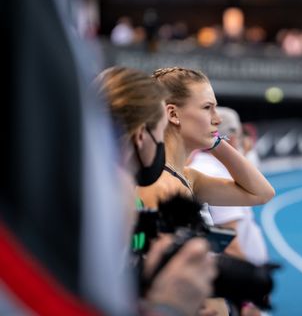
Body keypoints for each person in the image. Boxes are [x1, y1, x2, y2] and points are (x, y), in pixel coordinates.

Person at [96, 66, 217, 316]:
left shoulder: (86, 179)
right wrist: (167, 307)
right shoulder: (118, 190)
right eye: (161, 133)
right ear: (141, 135)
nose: (163, 143)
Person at [137, 67, 275, 209]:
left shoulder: (189, 177)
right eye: (207, 108)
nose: (218, 119)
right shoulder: (161, 186)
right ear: (173, 114)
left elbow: (262, 194)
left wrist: (215, 141)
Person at [188, 107, 270, 316]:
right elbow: (229, 243)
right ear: (232, 137)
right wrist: (248, 296)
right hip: (230, 285)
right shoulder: (213, 172)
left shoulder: (208, 167)